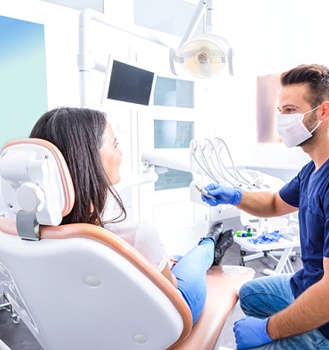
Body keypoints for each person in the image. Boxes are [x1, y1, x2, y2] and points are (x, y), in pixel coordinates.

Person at [29, 106, 234, 325]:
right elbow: (171, 293)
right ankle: (209, 244)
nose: (121, 153)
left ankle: (198, 250)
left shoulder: (30, 234)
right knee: (195, 260)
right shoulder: (137, 235)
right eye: (115, 144)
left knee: (176, 258)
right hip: (162, 325)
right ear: (87, 158)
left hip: (86, 327)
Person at [201, 64, 329, 349]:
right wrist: (234, 196)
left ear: (323, 112)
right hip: (305, 284)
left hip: (326, 315)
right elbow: (273, 202)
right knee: (248, 294)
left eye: (291, 110)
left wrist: (270, 330)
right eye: (280, 111)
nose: (282, 120)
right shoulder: (312, 171)